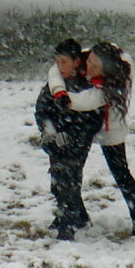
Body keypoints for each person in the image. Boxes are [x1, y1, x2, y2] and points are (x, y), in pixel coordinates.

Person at [48, 41, 135, 236]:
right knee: (72, 171)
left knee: (121, 174)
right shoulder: (89, 56)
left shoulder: (110, 88)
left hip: (110, 130)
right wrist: (58, 90)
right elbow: (55, 70)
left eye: (95, 66)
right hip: (84, 127)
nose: (89, 66)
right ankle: (76, 215)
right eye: (90, 61)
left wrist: (66, 100)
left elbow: (86, 101)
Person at [35, 39, 103, 241]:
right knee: (58, 180)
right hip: (56, 141)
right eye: (57, 62)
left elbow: (94, 117)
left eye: (64, 62)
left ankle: (67, 223)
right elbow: (42, 110)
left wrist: (76, 136)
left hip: (78, 142)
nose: (60, 67)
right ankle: (77, 216)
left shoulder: (88, 86)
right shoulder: (54, 86)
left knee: (69, 178)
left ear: (76, 62)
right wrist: (50, 131)